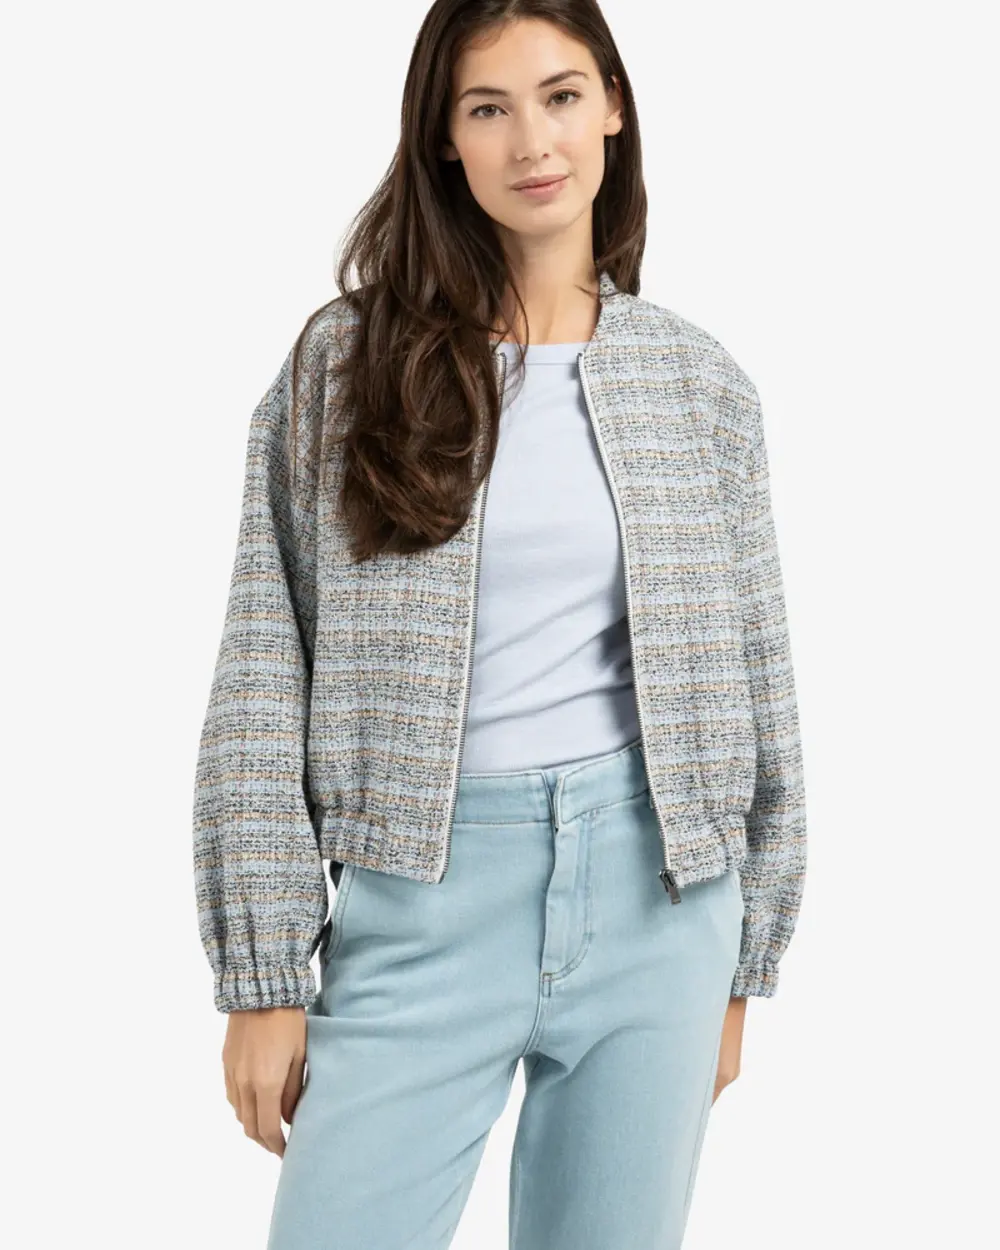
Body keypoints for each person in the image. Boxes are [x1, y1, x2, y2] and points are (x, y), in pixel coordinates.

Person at [192, 2, 807, 1246]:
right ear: (445, 140)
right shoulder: (344, 366)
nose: (534, 140)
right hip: (422, 900)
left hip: (658, 901)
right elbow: (263, 660)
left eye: (562, 95)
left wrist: (746, 955)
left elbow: (758, 674)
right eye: (489, 108)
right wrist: (261, 975)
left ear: (613, 107)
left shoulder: (700, 385)